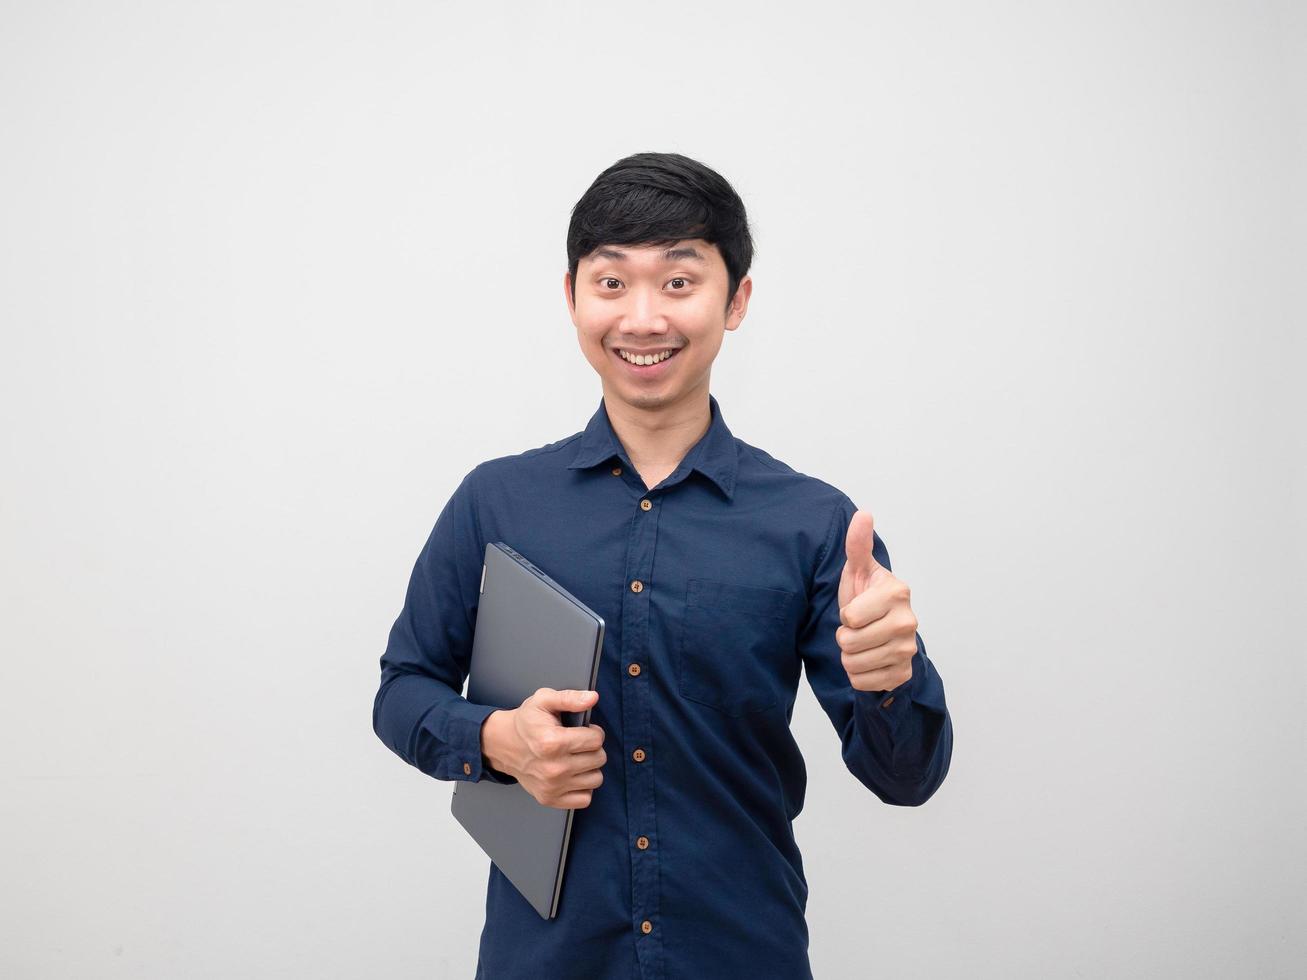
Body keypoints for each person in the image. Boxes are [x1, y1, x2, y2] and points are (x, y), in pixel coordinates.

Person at [372, 151, 953, 979]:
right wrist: (496, 739)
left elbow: (907, 779)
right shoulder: (496, 503)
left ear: (736, 299)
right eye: (611, 283)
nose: (642, 318)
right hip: (547, 961)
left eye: (679, 282)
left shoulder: (814, 524)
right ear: (570, 296)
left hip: (741, 955)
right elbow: (401, 690)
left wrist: (889, 677)